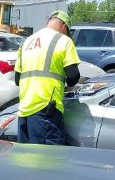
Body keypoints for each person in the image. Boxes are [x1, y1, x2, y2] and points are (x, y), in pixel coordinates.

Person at [14, 10, 81, 145]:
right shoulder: (64, 41)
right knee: (49, 160)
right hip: (46, 110)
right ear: (64, 27)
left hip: (24, 111)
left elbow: (17, 79)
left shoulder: (27, 42)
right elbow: (73, 76)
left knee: (25, 159)